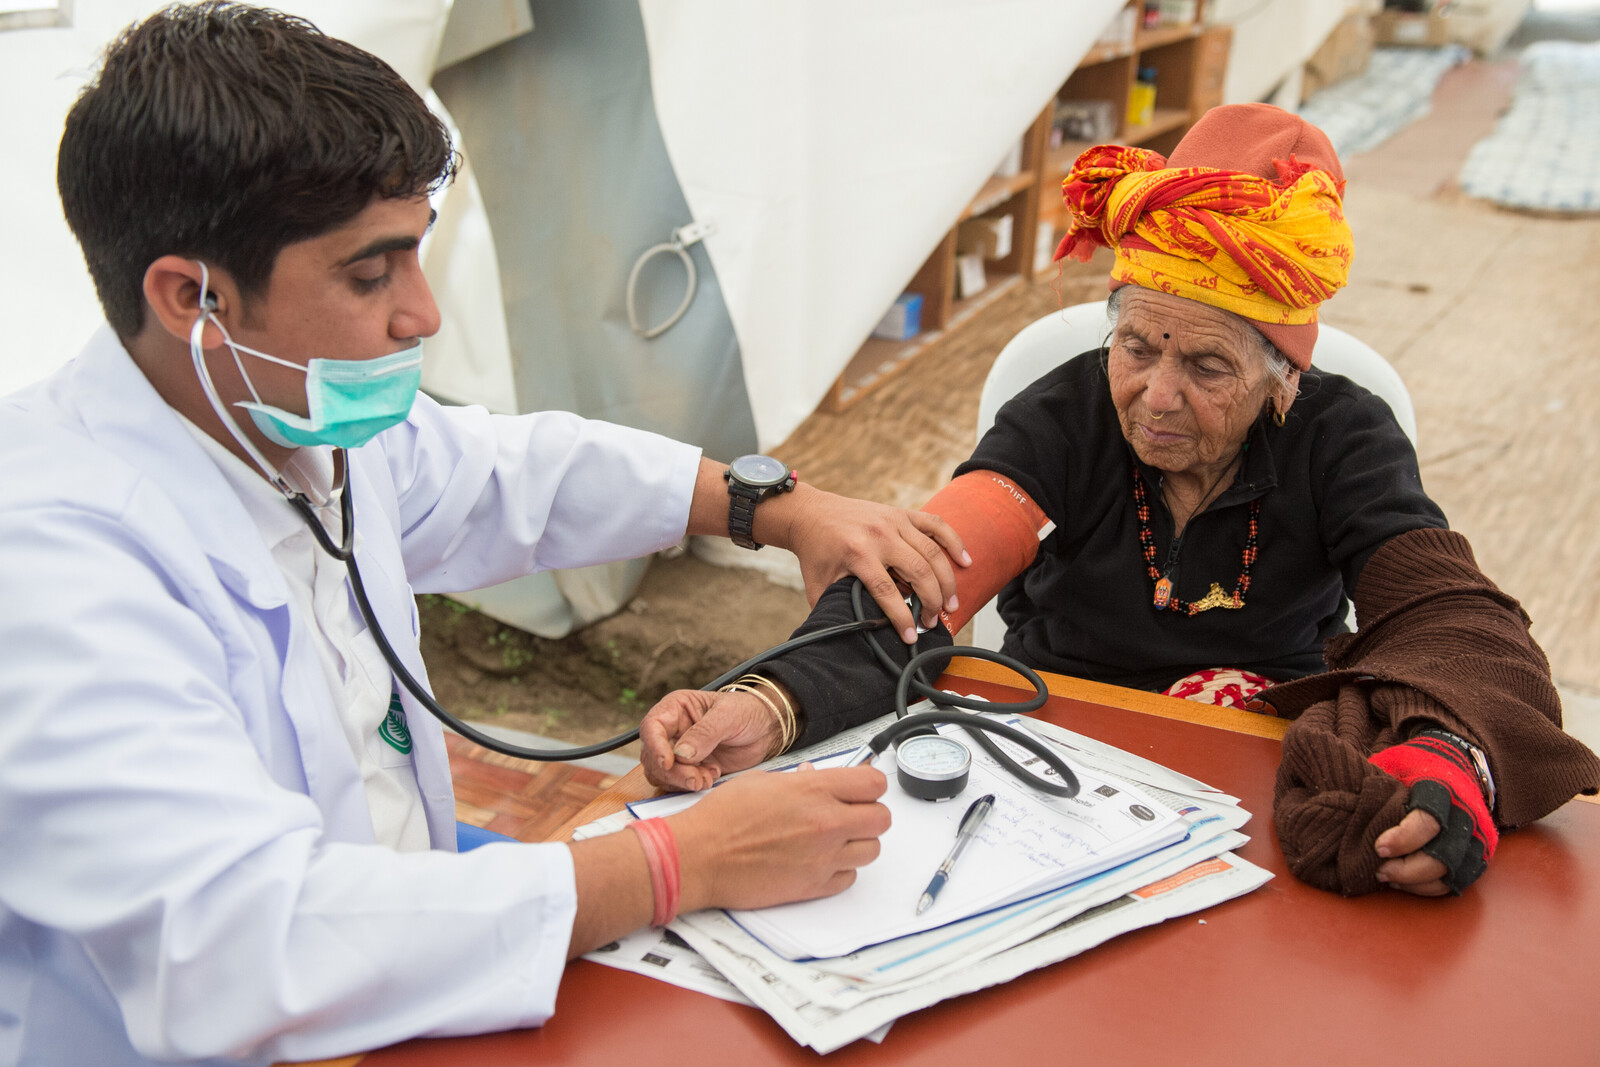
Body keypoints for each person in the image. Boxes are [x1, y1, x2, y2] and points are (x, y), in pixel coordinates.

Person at [0, 5, 979, 1063]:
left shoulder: (283, 418)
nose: (421, 313)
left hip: (394, 960)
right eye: (371, 275)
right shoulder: (52, 568)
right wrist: (670, 863)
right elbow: (238, 942)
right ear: (194, 296)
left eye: (417, 259)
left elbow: (512, 474)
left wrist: (774, 507)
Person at [641, 103, 1600, 901]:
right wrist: (771, 703)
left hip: (1255, 762)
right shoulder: (1064, 414)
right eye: (1137, 345)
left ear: (1282, 378)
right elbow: (920, 576)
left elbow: (1448, 615)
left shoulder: (1343, 437)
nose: (1156, 393)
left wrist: (1446, 756)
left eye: (1208, 363)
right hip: (1047, 745)